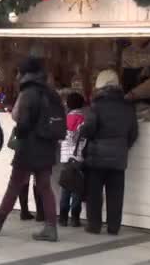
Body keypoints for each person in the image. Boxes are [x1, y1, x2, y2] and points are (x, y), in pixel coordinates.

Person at [0, 57, 60, 242]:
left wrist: (20, 134)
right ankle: (51, 228)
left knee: (15, 184)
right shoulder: (51, 93)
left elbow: (22, 121)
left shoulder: (28, 93)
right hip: (48, 145)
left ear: (24, 74)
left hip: (29, 146)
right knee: (45, 187)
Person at [81, 70, 138, 235]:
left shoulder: (97, 105)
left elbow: (89, 129)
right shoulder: (128, 106)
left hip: (97, 157)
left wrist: (84, 130)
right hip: (119, 157)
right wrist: (123, 146)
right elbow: (133, 133)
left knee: (94, 194)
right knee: (116, 195)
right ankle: (114, 227)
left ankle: (94, 226)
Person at [59, 92, 85, 228]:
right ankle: (75, 218)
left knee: (65, 187)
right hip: (78, 158)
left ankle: (63, 217)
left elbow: (60, 138)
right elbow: (83, 138)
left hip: (65, 158)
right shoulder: (83, 119)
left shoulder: (64, 119)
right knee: (77, 189)